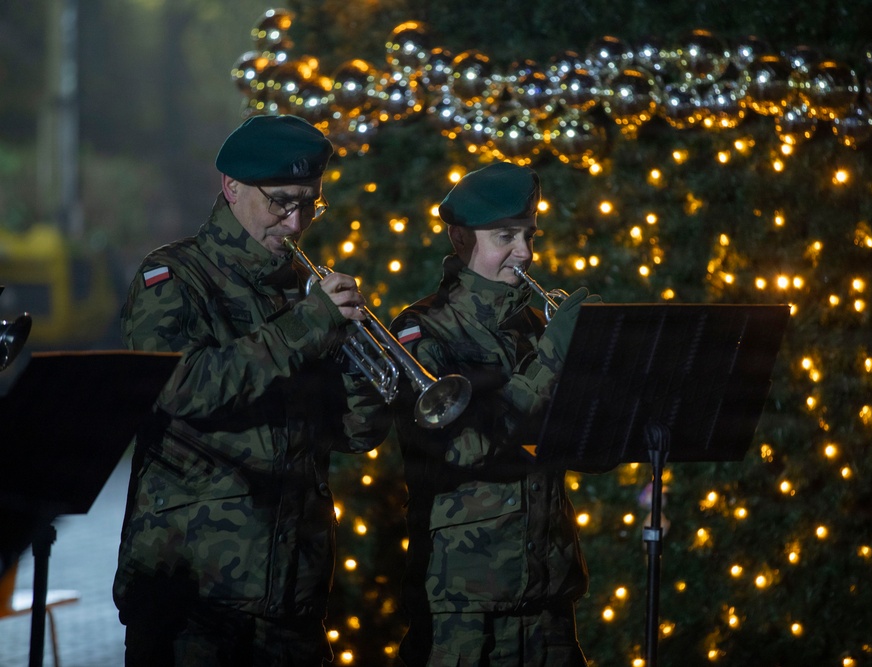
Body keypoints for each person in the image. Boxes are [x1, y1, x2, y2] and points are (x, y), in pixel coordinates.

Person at [113, 114, 391, 666]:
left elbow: (353, 435)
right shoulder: (174, 277)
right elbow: (180, 389)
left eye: (310, 204)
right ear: (232, 187)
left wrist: (363, 366)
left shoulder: (301, 292)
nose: (296, 223)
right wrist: (308, 327)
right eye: (282, 202)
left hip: (293, 586)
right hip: (194, 590)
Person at [388, 161, 599, 666]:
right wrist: (553, 356)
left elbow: (584, 445)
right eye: (505, 236)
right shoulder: (423, 332)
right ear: (460, 239)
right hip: (465, 603)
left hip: (549, 593)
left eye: (529, 236)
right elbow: (467, 445)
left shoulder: (533, 325)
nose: (523, 253)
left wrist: (597, 361)